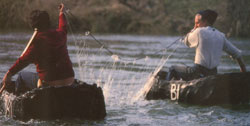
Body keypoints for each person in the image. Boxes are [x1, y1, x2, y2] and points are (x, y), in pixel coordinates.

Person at [1, 3, 75, 94]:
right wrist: (61, 13)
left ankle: (18, 104)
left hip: (50, 83)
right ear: (48, 22)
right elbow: (63, 26)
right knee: (37, 77)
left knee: (21, 76)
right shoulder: (61, 34)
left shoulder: (37, 43)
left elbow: (23, 61)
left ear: (33, 26)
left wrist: (9, 73)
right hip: (69, 80)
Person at [166, 9, 246, 81]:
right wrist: (243, 70)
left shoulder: (199, 32)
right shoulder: (221, 36)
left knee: (172, 69)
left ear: (205, 22)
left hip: (197, 72)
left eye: (197, 23)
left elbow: (186, 41)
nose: (196, 25)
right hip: (213, 74)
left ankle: (165, 89)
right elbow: (237, 54)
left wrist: (193, 29)